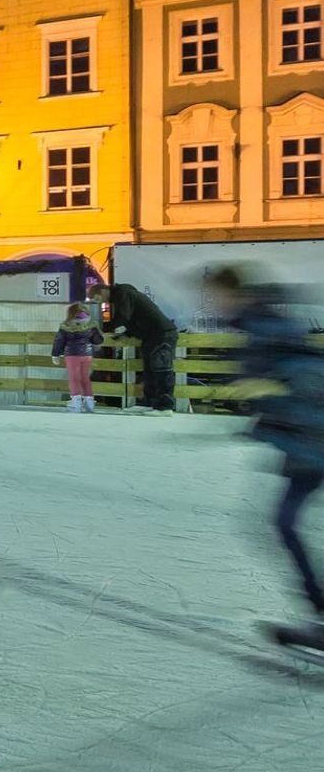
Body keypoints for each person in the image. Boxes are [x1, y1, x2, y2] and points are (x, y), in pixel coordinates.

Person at [203, 266, 324, 654]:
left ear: (231, 293)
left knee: (285, 523)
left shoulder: (265, 329)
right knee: (283, 523)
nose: (211, 304)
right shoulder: (261, 326)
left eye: (214, 295)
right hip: (303, 442)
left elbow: (299, 383)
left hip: (312, 442)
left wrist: (268, 404)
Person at [89, 282, 179, 412]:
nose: (100, 302)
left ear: (103, 291)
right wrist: (127, 333)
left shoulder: (123, 294)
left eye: (98, 298)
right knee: (149, 371)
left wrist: (104, 329)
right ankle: (149, 404)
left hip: (162, 335)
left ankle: (165, 407)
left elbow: (124, 316)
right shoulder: (124, 295)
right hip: (150, 336)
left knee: (161, 370)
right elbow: (136, 317)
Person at [50, 303, 103, 413]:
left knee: (74, 378)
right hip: (87, 355)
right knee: (85, 378)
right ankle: (89, 402)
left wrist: (55, 354)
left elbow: (59, 341)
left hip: (72, 355)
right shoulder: (90, 324)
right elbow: (98, 340)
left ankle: (76, 402)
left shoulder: (66, 326)